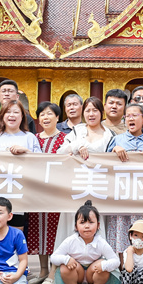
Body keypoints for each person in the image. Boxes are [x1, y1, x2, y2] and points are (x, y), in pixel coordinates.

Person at [105, 104, 143, 258]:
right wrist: (113, 150)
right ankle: (123, 271)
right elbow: (103, 164)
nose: (130, 118)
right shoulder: (117, 140)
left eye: (134, 115)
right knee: (121, 231)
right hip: (122, 194)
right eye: (127, 116)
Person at [54, 98, 113, 247]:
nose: (91, 114)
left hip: (99, 185)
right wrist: (76, 146)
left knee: (95, 219)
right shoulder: (77, 131)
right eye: (88, 110)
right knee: (73, 218)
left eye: (95, 110)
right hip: (76, 184)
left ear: (101, 112)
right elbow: (60, 152)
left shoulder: (109, 135)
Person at [0, 100, 41, 228]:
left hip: (19, 193)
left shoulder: (29, 137)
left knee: (16, 234)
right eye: (8, 112)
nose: (12, 115)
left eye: (16, 112)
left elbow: (40, 163)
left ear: (22, 117)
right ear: (2, 116)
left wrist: (26, 152)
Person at [27, 102, 65, 284]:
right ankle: (42, 270)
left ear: (57, 117)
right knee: (38, 229)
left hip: (57, 193)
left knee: (54, 230)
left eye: (49, 114)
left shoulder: (65, 139)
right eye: (42, 114)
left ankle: (53, 271)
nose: (45, 118)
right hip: (36, 192)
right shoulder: (33, 138)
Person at [50, 200, 121, 284]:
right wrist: (66, 260)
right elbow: (53, 258)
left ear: (98, 225)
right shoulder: (70, 241)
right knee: (64, 267)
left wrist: (104, 265)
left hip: (93, 276)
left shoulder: (101, 242)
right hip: (76, 274)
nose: (87, 226)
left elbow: (116, 261)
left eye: (91, 222)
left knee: (103, 264)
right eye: (82, 222)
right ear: (76, 226)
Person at [0, 80, 35, 148]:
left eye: (10, 91)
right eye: (3, 91)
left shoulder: (27, 119)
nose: (7, 94)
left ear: (17, 96)